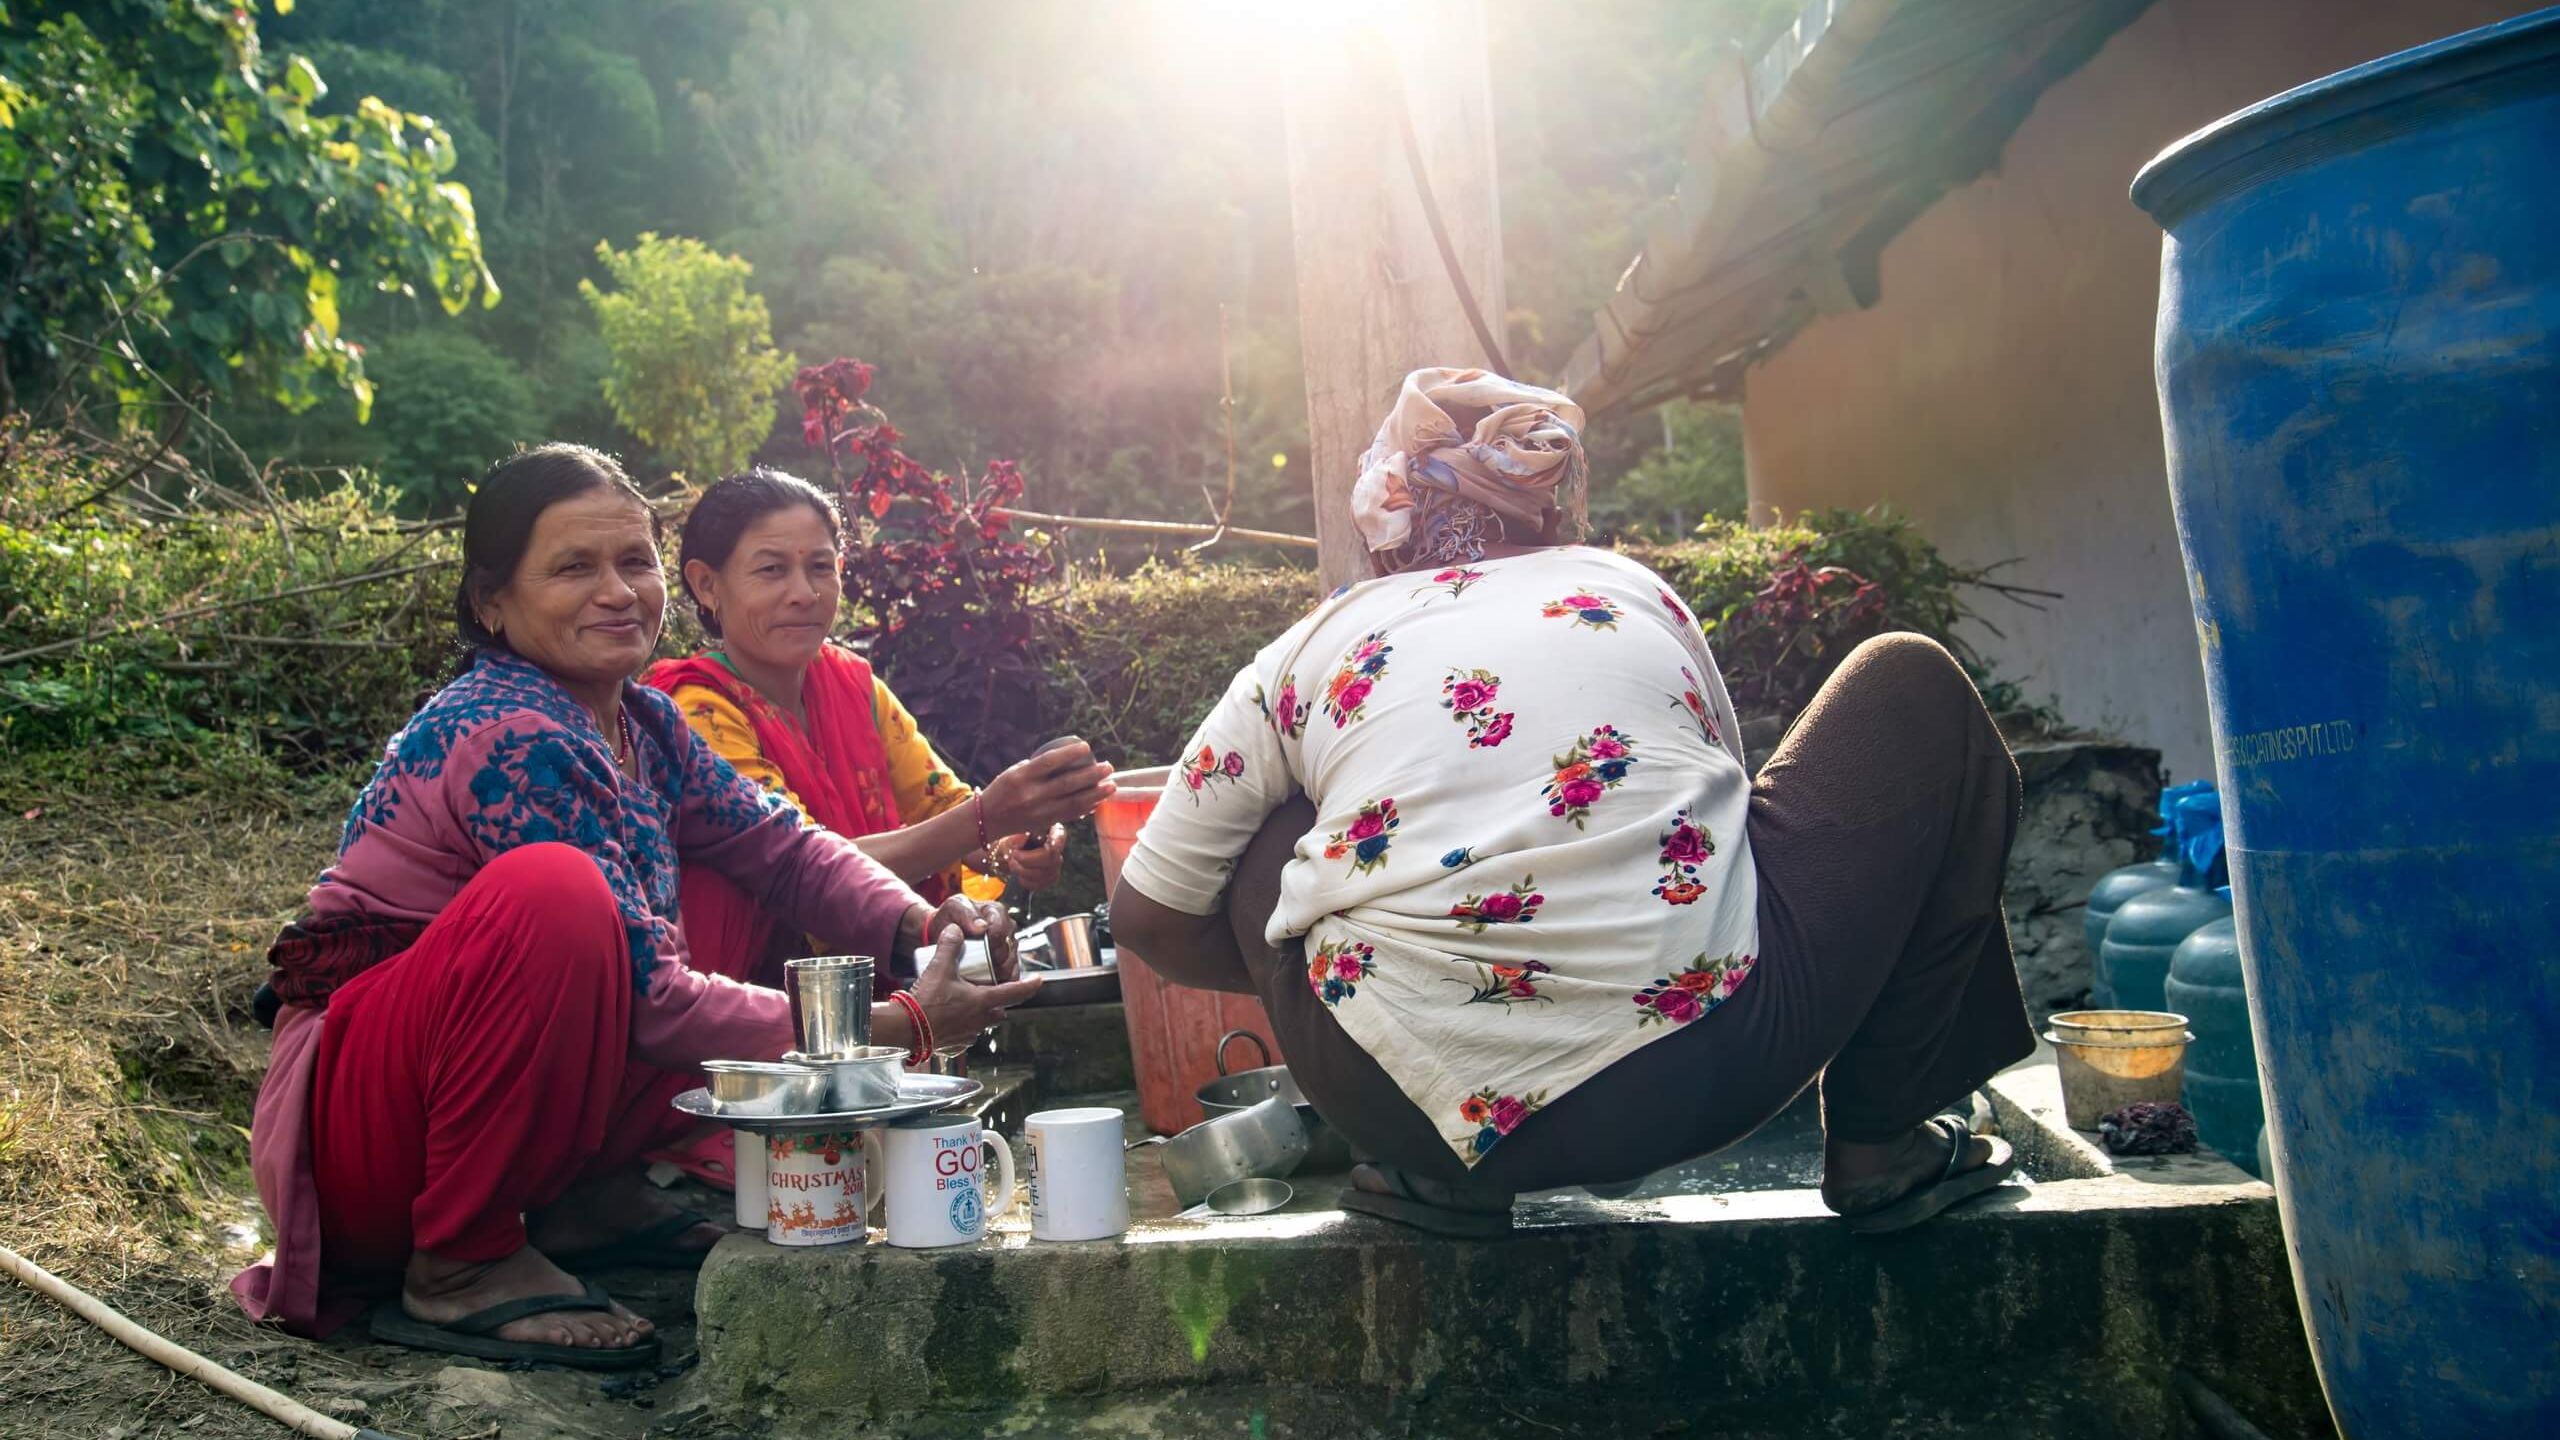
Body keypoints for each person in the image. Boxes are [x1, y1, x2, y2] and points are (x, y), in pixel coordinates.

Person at [1110, 367, 2032, 1237]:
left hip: (1397, 1102)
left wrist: (1317, 968)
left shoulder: (1306, 649)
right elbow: (1724, 828)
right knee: (1908, 681)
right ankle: (1880, 1144)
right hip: (1704, 1070)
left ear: (1392, 509)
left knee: (1264, 828)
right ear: (1550, 498)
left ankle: (1429, 1178)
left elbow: (1148, 915)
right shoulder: (1627, 590)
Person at [232, 444, 1040, 1368]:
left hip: (455, 1101)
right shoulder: (510, 732)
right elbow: (652, 999)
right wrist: (898, 1026)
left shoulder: (644, 722)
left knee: (694, 886)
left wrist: (920, 923)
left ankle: (591, 1199)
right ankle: (458, 1261)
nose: (617, 593)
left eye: (633, 562)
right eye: (574, 568)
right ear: (491, 603)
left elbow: (780, 846)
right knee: (561, 897)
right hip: (366, 1136)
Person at [645, 467, 1115, 993]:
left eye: (821, 567)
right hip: (760, 1010)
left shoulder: (853, 686)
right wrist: (990, 815)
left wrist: (1013, 842)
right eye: (772, 570)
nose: (803, 593)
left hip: (888, 996)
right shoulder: (693, 710)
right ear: (707, 584)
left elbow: (943, 808)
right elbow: (804, 867)